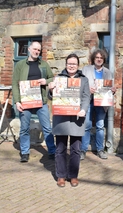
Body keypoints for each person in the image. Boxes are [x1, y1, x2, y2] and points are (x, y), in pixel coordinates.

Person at [47, 53, 91, 188]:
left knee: (76, 149)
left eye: (74, 64)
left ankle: (73, 176)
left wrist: (84, 109)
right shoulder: (58, 78)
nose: (71, 66)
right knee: (60, 149)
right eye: (69, 63)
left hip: (77, 118)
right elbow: (51, 98)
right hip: (61, 118)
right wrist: (50, 90)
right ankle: (61, 175)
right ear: (66, 65)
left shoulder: (84, 80)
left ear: (78, 66)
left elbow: (86, 96)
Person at [12, 41, 56, 163]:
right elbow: (15, 84)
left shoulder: (44, 64)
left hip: (40, 101)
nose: (37, 51)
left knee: (47, 127)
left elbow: (53, 78)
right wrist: (17, 101)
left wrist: (45, 81)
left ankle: (52, 151)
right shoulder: (20, 65)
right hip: (25, 102)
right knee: (24, 128)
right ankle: (25, 152)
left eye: (39, 50)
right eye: (35, 49)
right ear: (29, 50)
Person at [80, 49, 116, 160]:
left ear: (104, 59)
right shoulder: (86, 69)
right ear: (93, 59)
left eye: (101, 58)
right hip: (88, 101)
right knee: (87, 126)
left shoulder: (108, 72)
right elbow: (80, 84)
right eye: (97, 57)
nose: (99, 59)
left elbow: (110, 87)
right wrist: (87, 89)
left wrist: (112, 90)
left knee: (100, 126)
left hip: (102, 102)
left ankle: (100, 150)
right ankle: (83, 150)